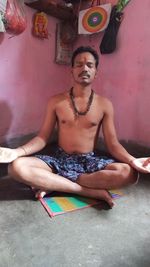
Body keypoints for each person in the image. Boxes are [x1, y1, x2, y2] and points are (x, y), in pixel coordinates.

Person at [0, 46, 146, 208]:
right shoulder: (56, 101)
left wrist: (133, 160)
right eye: (79, 64)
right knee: (16, 167)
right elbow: (42, 138)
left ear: (96, 72)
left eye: (90, 65)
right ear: (72, 71)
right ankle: (85, 191)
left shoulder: (105, 105)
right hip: (59, 159)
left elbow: (113, 144)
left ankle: (54, 183)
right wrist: (17, 151)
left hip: (89, 162)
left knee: (130, 174)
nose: (84, 68)